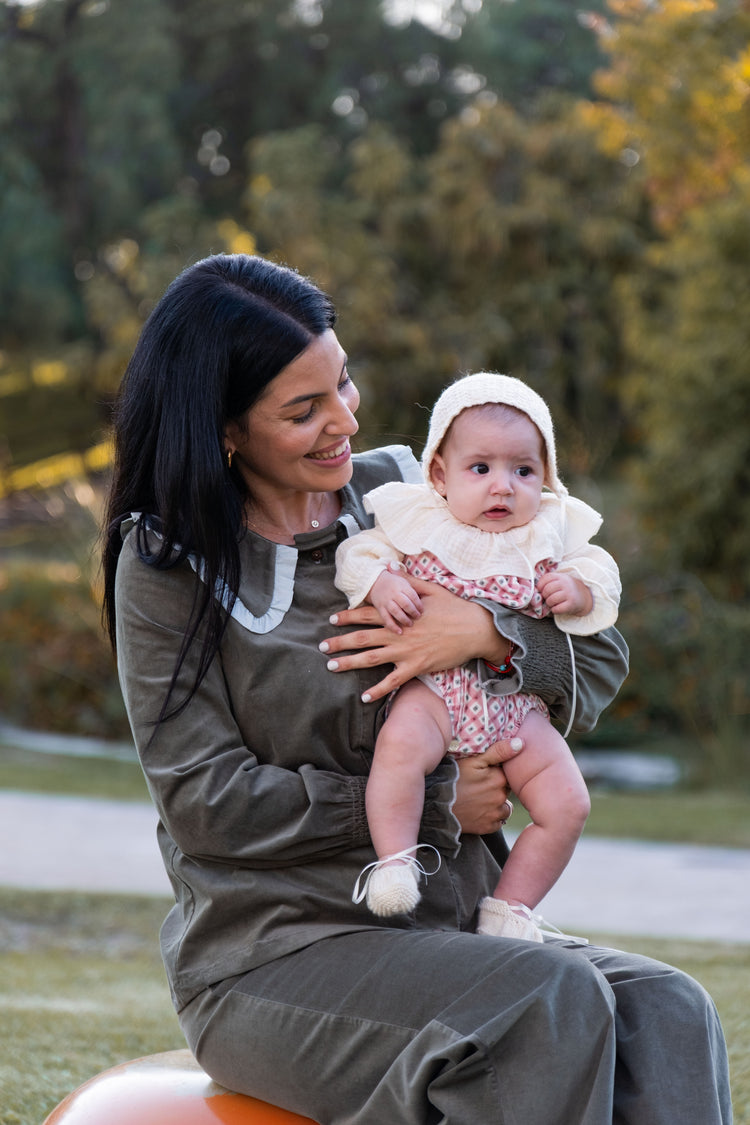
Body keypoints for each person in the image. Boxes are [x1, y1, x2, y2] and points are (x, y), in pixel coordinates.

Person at [102, 252, 732, 1125]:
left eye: (345, 384)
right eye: (303, 410)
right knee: (549, 1000)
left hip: (449, 925)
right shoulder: (168, 563)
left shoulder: (413, 489)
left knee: (670, 1010)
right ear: (226, 429)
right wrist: (441, 798)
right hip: (275, 953)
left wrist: (489, 633)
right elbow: (209, 804)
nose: (343, 423)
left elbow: (601, 661)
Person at [336, 372, 621, 937]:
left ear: (546, 477)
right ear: (440, 474)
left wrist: (580, 590)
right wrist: (379, 584)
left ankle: (509, 907)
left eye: (523, 470)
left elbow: (601, 572)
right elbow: (358, 553)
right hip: (436, 695)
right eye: (480, 468)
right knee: (399, 753)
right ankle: (394, 862)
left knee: (567, 804)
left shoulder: (549, 529)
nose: (503, 487)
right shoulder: (418, 520)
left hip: (517, 708)